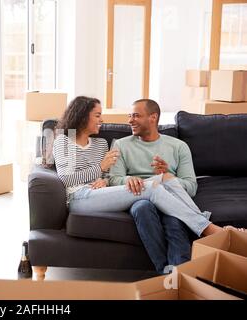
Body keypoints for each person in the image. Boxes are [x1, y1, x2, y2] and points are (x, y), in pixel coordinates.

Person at [53, 96, 245, 274]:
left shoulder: (101, 144)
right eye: (97, 115)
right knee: (153, 187)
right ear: (82, 116)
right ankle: (207, 227)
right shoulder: (64, 140)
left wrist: (104, 178)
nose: (101, 119)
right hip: (79, 198)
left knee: (163, 180)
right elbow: (66, 179)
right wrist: (101, 168)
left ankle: (170, 272)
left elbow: (107, 176)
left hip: (102, 194)